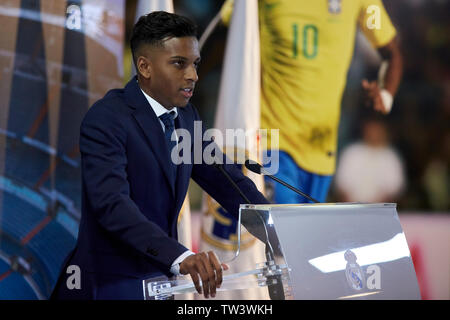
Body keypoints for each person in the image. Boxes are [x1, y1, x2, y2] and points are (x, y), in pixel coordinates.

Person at [50, 11, 269, 300]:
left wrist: (279, 229)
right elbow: (112, 206)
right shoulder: (106, 119)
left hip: (159, 285)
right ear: (145, 66)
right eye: (179, 63)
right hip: (107, 285)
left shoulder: (186, 117)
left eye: (195, 64)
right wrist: (181, 257)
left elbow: (227, 182)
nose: (192, 75)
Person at [220, 0, 403, 204]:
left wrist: (385, 96)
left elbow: (391, 52)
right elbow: (227, 25)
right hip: (273, 143)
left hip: (322, 152)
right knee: (285, 231)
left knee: (304, 233)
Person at [335, 116, 405, 203]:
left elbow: (395, 189)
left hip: (381, 211)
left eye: (377, 130)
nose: (373, 133)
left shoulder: (391, 157)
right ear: (365, 131)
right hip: (352, 209)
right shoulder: (351, 152)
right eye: (371, 130)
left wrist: (376, 208)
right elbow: (342, 185)